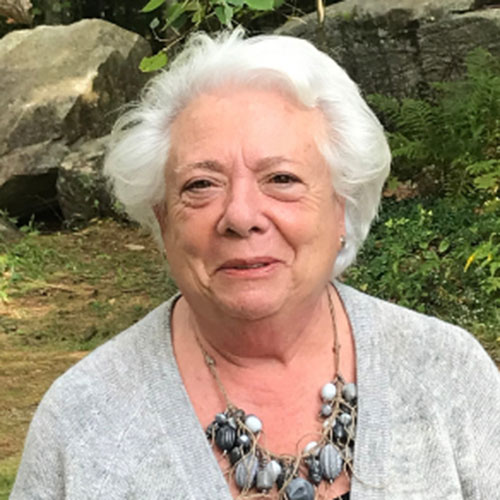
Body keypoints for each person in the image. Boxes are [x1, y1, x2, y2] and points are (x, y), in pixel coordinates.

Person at [10, 29, 500, 500]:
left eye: (281, 179)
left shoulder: (447, 373)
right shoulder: (82, 421)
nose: (241, 217)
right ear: (163, 220)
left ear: (341, 208)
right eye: (201, 185)